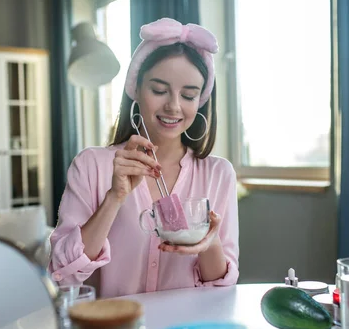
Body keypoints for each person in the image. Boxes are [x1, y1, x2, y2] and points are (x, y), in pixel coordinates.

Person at [48, 18, 239, 298]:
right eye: (159, 90)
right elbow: (62, 272)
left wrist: (208, 242)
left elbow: (221, 289)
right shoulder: (91, 165)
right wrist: (114, 197)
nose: (173, 106)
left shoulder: (219, 174)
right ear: (135, 89)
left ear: (201, 100)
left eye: (189, 95)